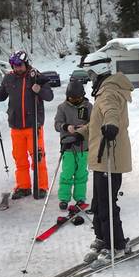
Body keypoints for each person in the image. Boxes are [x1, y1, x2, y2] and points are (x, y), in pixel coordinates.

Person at [71, 51, 134, 267]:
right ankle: (102, 237)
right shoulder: (104, 90)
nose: (89, 77)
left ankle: (115, 245)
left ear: (98, 70)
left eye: (89, 72)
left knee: (107, 203)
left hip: (110, 157)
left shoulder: (108, 92)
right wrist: (79, 133)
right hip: (101, 155)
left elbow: (111, 113)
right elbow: (97, 122)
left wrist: (112, 126)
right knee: (98, 203)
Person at [0, 50, 54, 200]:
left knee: (38, 157)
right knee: (19, 158)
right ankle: (23, 186)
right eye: (14, 65)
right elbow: (2, 95)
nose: (17, 68)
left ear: (26, 63)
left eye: (19, 65)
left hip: (33, 125)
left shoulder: (36, 76)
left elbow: (49, 96)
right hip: (16, 126)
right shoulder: (9, 78)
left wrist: (40, 90)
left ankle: (41, 186)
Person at [54, 80, 92, 210]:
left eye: (77, 98)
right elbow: (57, 124)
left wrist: (85, 127)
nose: (74, 100)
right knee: (67, 173)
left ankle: (80, 198)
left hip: (83, 146)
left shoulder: (88, 106)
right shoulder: (62, 107)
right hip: (68, 146)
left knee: (81, 173)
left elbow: (94, 123)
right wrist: (66, 126)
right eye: (71, 98)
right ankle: (64, 198)